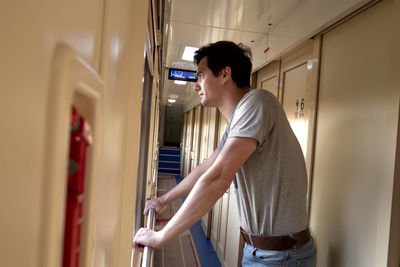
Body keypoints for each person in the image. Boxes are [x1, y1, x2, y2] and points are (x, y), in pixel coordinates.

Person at [134, 41, 316, 267]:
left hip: (281, 257)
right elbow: (206, 168)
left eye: (201, 75)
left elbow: (218, 179)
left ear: (224, 74)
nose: (196, 85)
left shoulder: (257, 102)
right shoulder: (237, 120)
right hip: (262, 251)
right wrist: (163, 199)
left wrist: (162, 236)